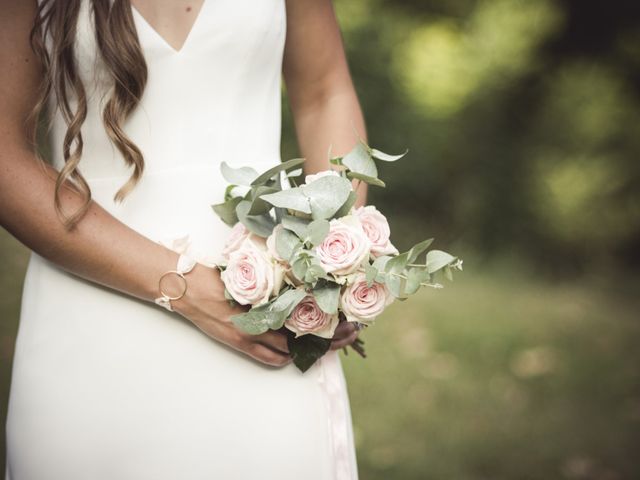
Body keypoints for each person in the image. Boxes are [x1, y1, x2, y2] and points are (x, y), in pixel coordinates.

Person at [1, 0, 368, 478]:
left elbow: (324, 92)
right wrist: (188, 287)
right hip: (91, 316)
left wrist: (336, 251)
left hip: (272, 318)